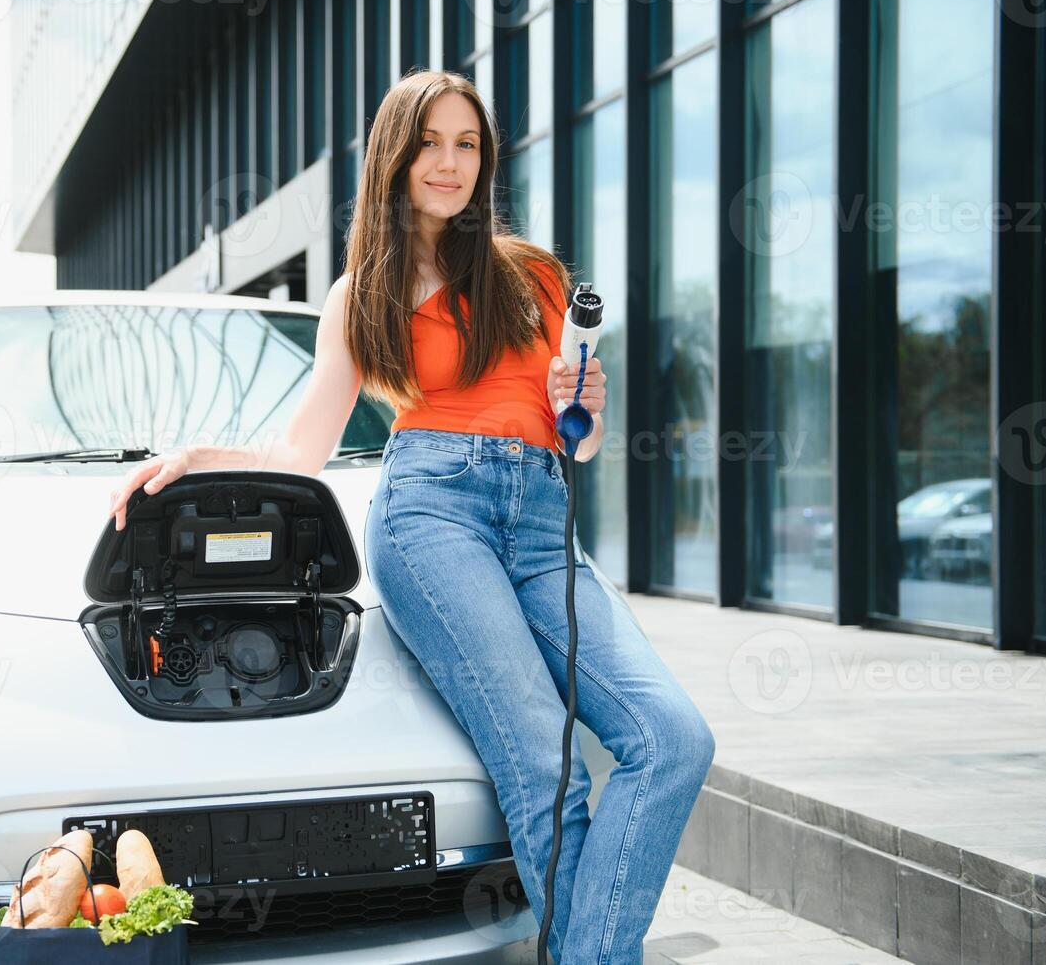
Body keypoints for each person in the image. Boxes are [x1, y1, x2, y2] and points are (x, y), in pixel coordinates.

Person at [105, 69, 715, 964]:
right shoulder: (362, 295)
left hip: (545, 523)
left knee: (673, 740)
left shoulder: (533, 276)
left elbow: (577, 443)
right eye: (430, 141)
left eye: (467, 144)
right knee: (545, 768)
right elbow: (302, 454)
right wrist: (200, 458)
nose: (449, 162)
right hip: (434, 517)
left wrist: (588, 400)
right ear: (395, 155)